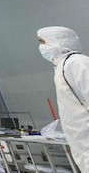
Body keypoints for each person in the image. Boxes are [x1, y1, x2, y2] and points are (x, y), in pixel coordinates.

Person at [37, 26, 89, 172]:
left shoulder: (77, 63)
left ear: (57, 42)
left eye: (43, 42)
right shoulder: (62, 67)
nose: (41, 48)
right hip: (82, 143)